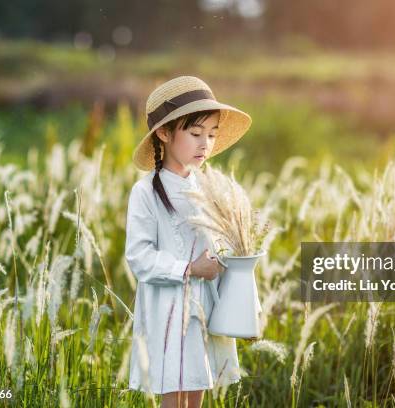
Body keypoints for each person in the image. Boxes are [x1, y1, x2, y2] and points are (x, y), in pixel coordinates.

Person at [125, 76, 252, 407]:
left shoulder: (210, 187)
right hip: (167, 307)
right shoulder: (146, 192)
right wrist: (188, 268)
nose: (205, 144)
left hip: (203, 307)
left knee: (196, 388)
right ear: (165, 134)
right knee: (173, 391)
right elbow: (138, 256)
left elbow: (222, 248)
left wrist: (243, 305)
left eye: (211, 135)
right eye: (195, 134)